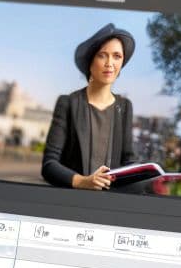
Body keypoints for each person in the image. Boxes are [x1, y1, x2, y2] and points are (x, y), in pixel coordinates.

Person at [41, 23, 141, 192]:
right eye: (102, 55)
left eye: (117, 56)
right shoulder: (68, 103)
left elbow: (128, 160)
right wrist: (83, 181)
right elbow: (49, 164)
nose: (110, 63)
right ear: (90, 62)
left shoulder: (125, 107)